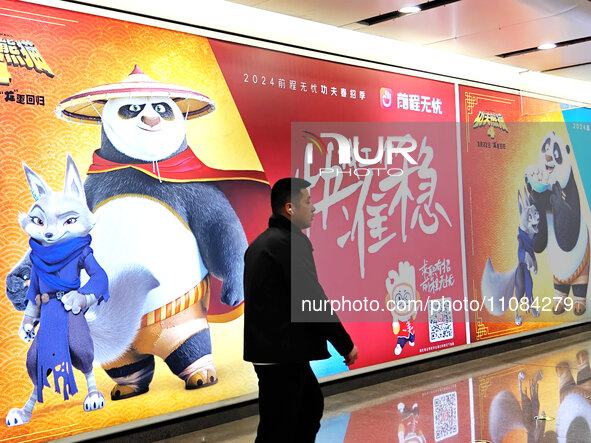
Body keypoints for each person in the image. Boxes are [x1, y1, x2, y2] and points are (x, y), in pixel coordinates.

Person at [243, 177, 358, 443]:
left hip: (275, 351)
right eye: (308, 201)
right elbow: (312, 300)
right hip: (282, 354)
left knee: (308, 406)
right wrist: (345, 344)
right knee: (278, 428)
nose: (314, 207)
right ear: (289, 208)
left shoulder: (263, 244)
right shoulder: (289, 245)